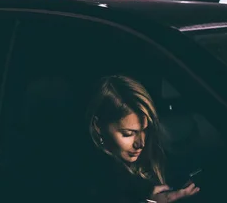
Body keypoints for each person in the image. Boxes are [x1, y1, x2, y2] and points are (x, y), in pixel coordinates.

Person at [85, 75, 200, 203]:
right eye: (128, 133)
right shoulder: (86, 176)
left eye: (144, 130)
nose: (141, 143)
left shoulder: (154, 156)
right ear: (99, 126)